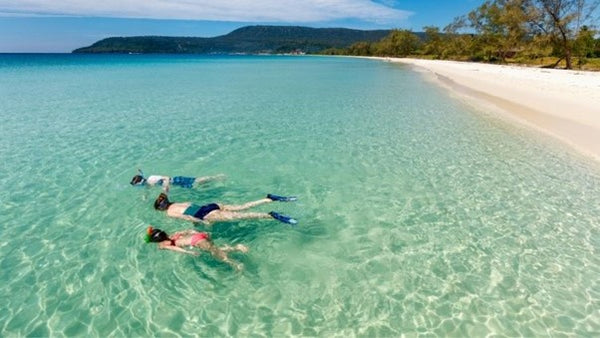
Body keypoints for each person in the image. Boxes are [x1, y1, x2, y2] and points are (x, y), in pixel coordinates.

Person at [153, 185, 298, 225]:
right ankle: (268, 199)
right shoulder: (177, 203)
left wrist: (202, 223)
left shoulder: (170, 212)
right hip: (211, 206)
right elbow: (192, 205)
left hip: (207, 214)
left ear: (161, 209)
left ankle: (271, 216)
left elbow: (187, 218)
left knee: (244, 216)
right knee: (243, 207)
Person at [145, 226, 248, 270]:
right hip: (201, 235)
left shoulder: (163, 244)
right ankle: (236, 248)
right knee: (214, 249)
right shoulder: (173, 235)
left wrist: (189, 252)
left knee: (217, 255)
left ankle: (235, 263)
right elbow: (187, 231)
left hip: (197, 242)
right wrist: (198, 233)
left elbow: (176, 249)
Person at [130, 169, 224, 188]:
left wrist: (166, 186)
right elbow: (147, 191)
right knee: (197, 186)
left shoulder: (151, 178)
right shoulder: (148, 185)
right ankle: (214, 182)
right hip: (177, 185)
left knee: (197, 181)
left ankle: (216, 177)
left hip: (177, 180)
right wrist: (144, 198)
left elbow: (166, 177)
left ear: (140, 182)